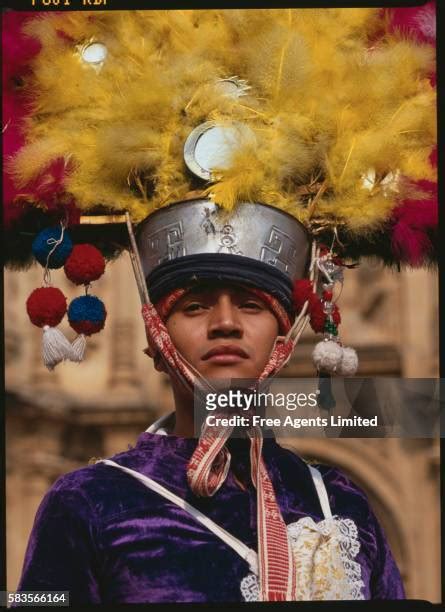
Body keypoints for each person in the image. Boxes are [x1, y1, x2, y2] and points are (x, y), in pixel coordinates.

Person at [5, 5, 436, 605]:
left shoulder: (344, 504)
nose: (227, 323)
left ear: (286, 339)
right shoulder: (85, 504)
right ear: (154, 340)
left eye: (254, 306)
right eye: (195, 305)